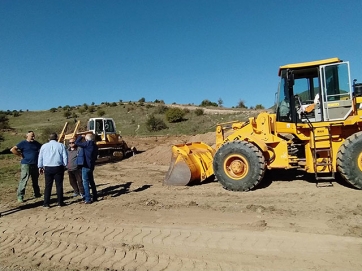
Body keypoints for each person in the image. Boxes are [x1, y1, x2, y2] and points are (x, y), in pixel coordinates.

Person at [38, 133, 68, 208]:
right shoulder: (61, 145)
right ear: (57, 138)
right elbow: (65, 156)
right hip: (58, 166)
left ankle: (46, 203)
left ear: (49, 138)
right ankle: (60, 202)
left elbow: (40, 157)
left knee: (48, 185)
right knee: (59, 185)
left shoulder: (44, 146)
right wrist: (65, 165)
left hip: (48, 167)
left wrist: (40, 166)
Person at [10, 131, 42, 202]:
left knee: (35, 180)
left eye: (33, 136)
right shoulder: (23, 143)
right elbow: (12, 149)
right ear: (27, 136)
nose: (33, 137)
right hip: (26, 164)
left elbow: (43, 148)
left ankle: (37, 193)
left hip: (35, 164)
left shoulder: (36, 143)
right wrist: (20, 155)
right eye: (31, 136)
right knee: (24, 180)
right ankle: (20, 196)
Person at [75, 133, 98, 204]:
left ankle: (88, 198)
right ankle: (95, 196)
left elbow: (77, 143)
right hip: (91, 165)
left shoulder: (87, 144)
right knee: (91, 181)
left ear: (87, 139)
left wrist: (80, 136)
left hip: (86, 166)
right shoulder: (95, 146)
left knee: (85, 182)